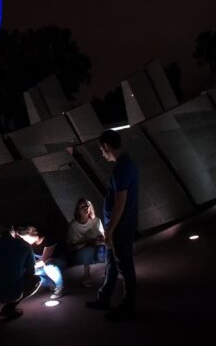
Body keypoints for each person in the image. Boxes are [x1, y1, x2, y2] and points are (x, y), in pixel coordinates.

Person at [86, 129, 139, 320]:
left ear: (107, 146)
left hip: (119, 227)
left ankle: (128, 306)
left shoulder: (121, 168)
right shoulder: (125, 164)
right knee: (112, 265)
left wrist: (109, 230)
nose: (101, 152)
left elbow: (120, 203)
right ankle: (104, 298)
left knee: (124, 266)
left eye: (101, 148)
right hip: (119, 226)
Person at [18, 225, 65, 299]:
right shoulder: (30, 244)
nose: (25, 240)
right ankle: (51, 284)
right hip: (42, 263)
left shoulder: (48, 239)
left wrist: (28, 266)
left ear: (32, 234)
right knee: (31, 272)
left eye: (25, 238)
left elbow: (44, 260)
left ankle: (60, 286)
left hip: (57, 261)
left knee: (48, 264)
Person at [68, 198, 106, 287]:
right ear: (78, 209)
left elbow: (103, 236)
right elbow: (71, 244)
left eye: (87, 206)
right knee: (88, 250)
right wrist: (87, 241)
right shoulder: (73, 225)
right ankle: (86, 276)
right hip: (80, 250)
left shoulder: (96, 220)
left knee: (108, 245)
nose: (85, 208)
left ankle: (110, 271)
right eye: (82, 207)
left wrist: (100, 238)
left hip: (96, 245)